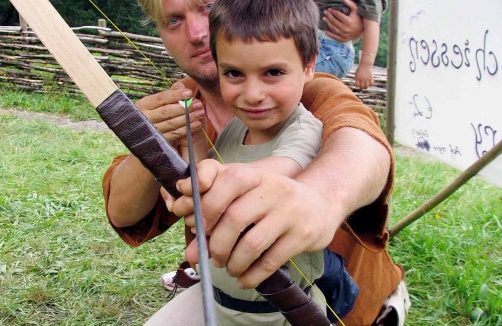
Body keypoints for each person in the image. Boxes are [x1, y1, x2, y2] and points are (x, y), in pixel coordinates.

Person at [102, 0, 408, 325]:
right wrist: (147, 145)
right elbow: (122, 213)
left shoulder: (311, 89)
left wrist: (320, 196)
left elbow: (363, 143)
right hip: (232, 296)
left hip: (345, 310)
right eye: (174, 20)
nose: (195, 33)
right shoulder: (182, 105)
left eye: (206, 6)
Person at [164, 0, 360, 323]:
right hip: (219, 304)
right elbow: (201, 176)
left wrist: (207, 181)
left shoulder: (304, 129)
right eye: (234, 73)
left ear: (309, 65)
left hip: (282, 314)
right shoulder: (236, 130)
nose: (252, 93)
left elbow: (280, 170)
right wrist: (194, 140)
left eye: (272, 72)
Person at [316, 0, 386, 89]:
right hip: (310, 41)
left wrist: (366, 65)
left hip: (332, 50)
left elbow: (372, 24)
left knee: (297, 71)